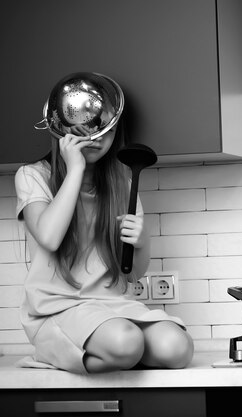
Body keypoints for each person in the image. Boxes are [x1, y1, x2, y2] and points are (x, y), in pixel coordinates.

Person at [14, 73, 194, 374]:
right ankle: (53, 351)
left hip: (113, 307)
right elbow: (50, 236)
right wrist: (74, 170)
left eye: (105, 129)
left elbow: (133, 272)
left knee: (176, 349)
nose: (96, 138)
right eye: (85, 129)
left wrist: (141, 240)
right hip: (58, 307)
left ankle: (112, 354)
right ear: (62, 130)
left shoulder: (122, 183)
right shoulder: (32, 176)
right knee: (126, 343)